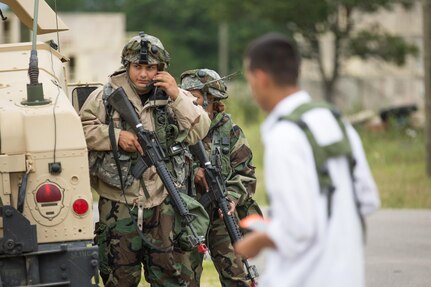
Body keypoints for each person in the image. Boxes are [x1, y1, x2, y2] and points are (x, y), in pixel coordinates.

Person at [234, 33, 380, 287]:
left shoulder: (285, 135)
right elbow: (367, 199)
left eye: (249, 81)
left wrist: (258, 240)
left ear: (260, 78)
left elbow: (297, 228)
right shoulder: (336, 121)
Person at [80, 32, 211, 287]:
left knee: (169, 277)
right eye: (137, 67)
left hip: (162, 203)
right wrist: (116, 137)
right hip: (119, 204)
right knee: (119, 278)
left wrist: (176, 94)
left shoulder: (172, 97)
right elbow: (82, 130)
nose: (143, 74)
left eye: (150, 68)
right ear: (126, 66)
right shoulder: (105, 96)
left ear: (160, 69)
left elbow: (199, 129)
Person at [180, 69, 262, 287]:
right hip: (186, 214)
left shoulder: (230, 132)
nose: (189, 102)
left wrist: (232, 197)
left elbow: (245, 173)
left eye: (194, 97)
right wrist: (192, 172)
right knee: (184, 279)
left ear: (211, 98)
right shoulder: (176, 128)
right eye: (184, 96)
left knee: (237, 276)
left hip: (222, 213)